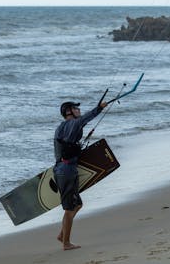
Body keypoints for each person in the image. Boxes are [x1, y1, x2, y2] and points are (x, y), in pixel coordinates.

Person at [53, 100, 107, 250]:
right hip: (67, 171)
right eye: (76, 108)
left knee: (77, 204)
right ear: (69, 112)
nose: (78, 110)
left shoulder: (61, 127)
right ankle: (66, 243)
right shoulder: (72, 124)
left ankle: (62, 235)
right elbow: (85, 119)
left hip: (61, 169)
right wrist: (99, 108)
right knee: (70, 209)